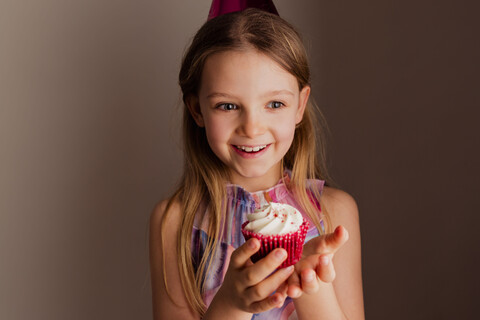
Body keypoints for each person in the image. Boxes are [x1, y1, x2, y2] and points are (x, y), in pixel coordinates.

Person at [149, 3, 364, 319]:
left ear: (300, 106)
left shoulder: (334, 213)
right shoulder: (174, 222)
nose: (251, 128)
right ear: (197, 110)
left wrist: (308, 285)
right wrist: (231, 304)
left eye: (274, 103)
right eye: (227, 106)